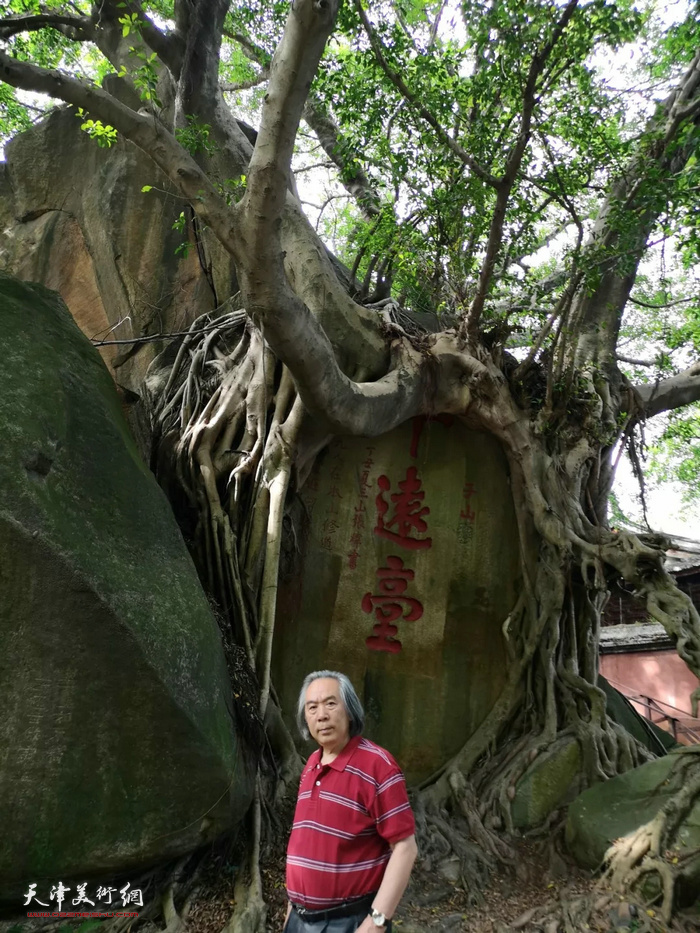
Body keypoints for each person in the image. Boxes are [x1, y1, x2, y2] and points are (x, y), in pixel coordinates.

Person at [284, 670, 418, 932]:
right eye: (312, 707)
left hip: (348, 923)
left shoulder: (377, 765)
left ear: (350, 711)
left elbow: (405, 847)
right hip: (299, 921)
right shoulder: (311, 764)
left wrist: (377, 922)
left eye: (330, 703)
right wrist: (291, 910)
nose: (321, 714)